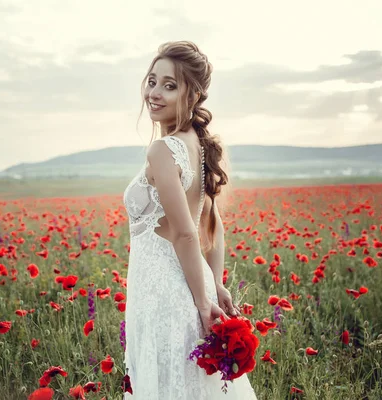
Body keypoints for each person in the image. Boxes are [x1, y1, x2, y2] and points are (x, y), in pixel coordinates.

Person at [122, 41, 258, 399]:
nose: (155, 93)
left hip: (165, 293)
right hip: (185, 286)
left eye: (170, 85)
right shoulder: (198, 144)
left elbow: (186, 233)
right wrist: (214, 285)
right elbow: (212, 224)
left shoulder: (163, 149)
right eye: (152, 81)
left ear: (192, 94)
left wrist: (203, 304)